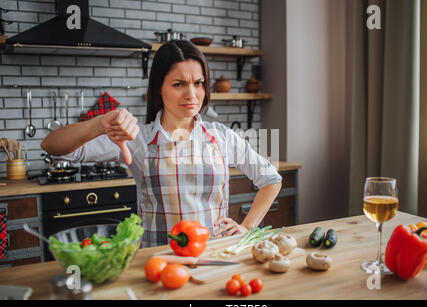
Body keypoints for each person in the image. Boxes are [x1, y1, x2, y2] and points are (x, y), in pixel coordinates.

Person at [41, 40, 282, 248]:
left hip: (215, 255)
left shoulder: (221, 136)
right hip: (159, 260)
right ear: (159, 87)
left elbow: (271, 179)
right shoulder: (137, 138)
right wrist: (99, 124)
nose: (192, 94)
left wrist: (247, 228)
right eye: (179, 84)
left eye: (198, 83)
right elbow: (52, 145)